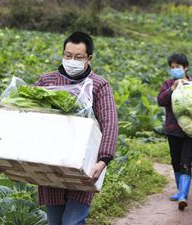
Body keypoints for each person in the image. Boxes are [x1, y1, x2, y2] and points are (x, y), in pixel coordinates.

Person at [35, 32, 118, 225]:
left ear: (89, 59)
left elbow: (110, 124)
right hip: (51, 165)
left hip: (84, 167)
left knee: (72, 222)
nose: (72, 60)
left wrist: (103, 160)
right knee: (54, 222)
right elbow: (30, 118)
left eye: (78, 57)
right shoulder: (46, 82)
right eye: (67, 55)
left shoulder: (99, 86)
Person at [157, 53, 192, 211]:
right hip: (173, 130)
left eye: (178, 67)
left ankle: (184, 195)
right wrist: (172, 89)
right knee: (175, 161)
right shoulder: (167, 84)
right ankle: (180, 191)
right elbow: (160, 101)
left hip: (191, 131)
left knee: (186, 162)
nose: (175, 70)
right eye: (172, 67)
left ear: (186, 68)